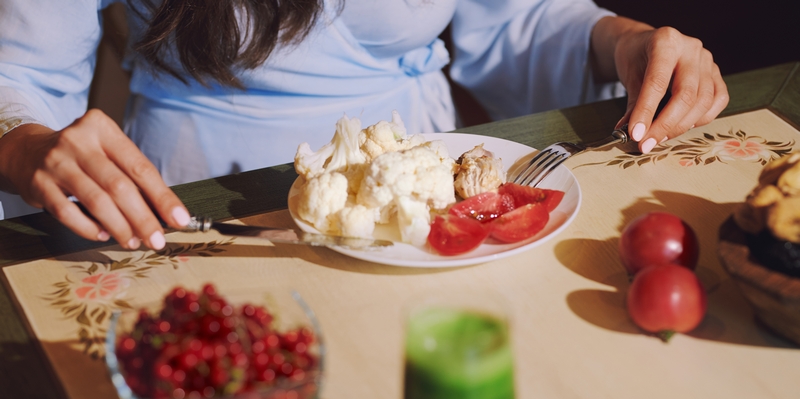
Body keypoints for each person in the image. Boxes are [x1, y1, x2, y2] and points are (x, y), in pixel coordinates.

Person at [0, 0, 728, 251]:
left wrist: (621, 41)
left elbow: (515, 19)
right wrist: (26, 140)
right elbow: (17, 75)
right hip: (201, 218)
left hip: (436, 215)